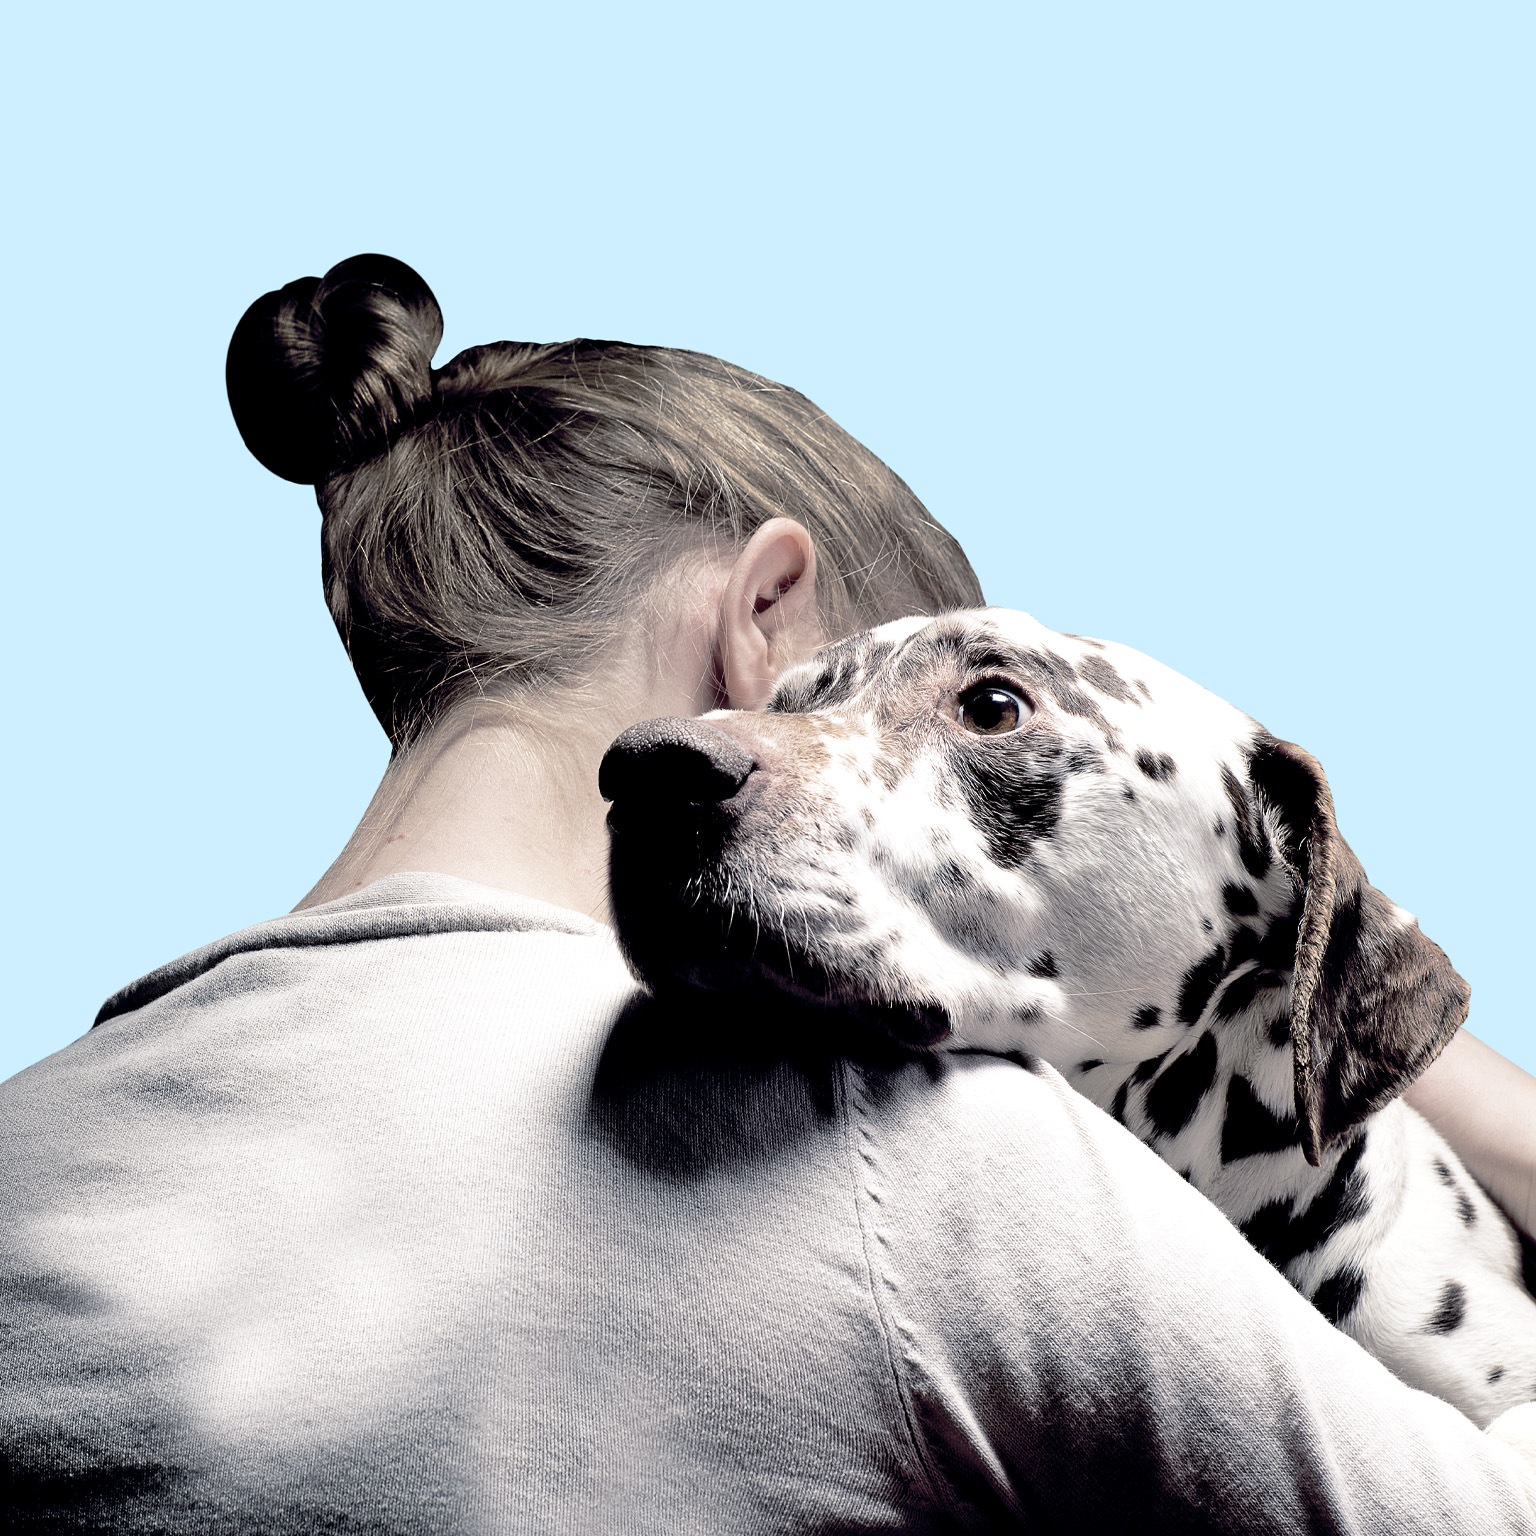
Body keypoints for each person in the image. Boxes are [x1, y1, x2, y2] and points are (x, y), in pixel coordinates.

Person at [1, 253, 1533, 1534]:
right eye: (892, 697)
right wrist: (1380, 1019)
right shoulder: (911, 1152)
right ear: (767, 619)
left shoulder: (30, 1156)